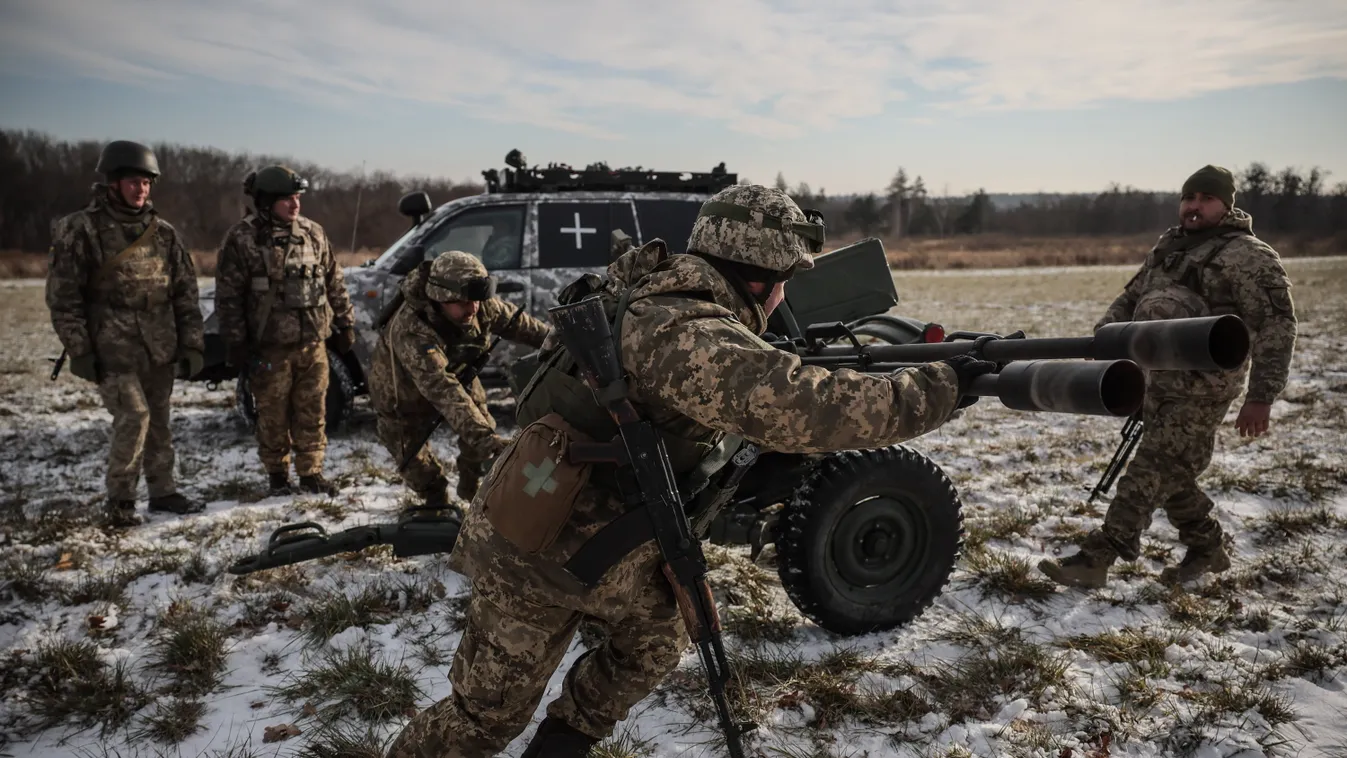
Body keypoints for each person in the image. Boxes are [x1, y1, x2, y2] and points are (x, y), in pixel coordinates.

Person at [384, 185, 988, 757]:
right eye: (786, 283)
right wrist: (943, 385)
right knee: (484, 720)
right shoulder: (684, 331)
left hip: (608, 539)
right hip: (537, 554)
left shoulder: (657, 293)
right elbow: (811, 410)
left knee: (653, 644)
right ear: (766, 278)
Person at [1038, 164, 1298, 589]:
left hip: (1204, 389)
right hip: (1156, 381)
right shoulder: (1170, 247)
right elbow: (1131, 298)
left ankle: (1096, 558)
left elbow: (1277, 326)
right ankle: (1207, 549)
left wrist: (1262, 396)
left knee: (1149, 468)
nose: (1193, 207)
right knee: (1172, 470)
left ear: (1226, 205)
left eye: (1205, 199)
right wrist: (1103, 344)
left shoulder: (1250, 256)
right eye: (1188, 198)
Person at [45, 139, 206, 527]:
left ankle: (163, 491)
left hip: (160, 345)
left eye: (147, 183)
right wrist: (80, 349)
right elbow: (63, 297)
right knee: (134, 417)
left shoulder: (164, 233)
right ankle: (119, 501)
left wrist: (193, 344)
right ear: (113, 183)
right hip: (111, 348)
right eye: (134, 182)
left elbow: (185, 292)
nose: (141, 190)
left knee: (160, 420)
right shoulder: (80, 230)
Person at [367, 251, 550, 517]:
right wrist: (488, 441)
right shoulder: (411, 329)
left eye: (476, 300)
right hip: (402, 395)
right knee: (417, 466)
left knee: (481, 430)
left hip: (458, 375)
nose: (472, 308)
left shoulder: (480, 306)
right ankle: (436, 504)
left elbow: (529, 329)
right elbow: (443, 390)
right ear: (440, 298)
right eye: (463, 302)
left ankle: (471, 487)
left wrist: (565, 342)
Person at [214, 165, 356, 496]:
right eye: (286, 200)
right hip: (269, 348)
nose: (295, 206)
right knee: (272, 415)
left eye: (297, 198)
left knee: (313, 411)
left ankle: (311, 472)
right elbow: (229, 296)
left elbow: (334, 281)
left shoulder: (313, 233)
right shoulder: (242, 238)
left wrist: (345, 322)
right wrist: (235, 340)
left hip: (313, 345)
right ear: (265, 202)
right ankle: (278, 476)